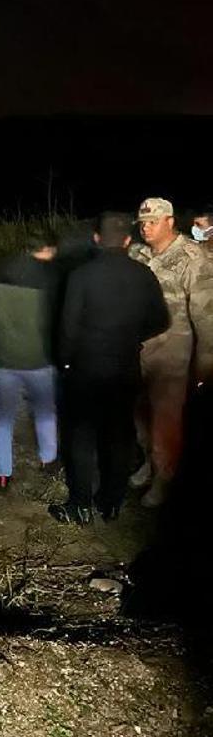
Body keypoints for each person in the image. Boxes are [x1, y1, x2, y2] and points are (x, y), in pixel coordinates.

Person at [49, 213, 168, 525]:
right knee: (119, 436)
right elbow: (161, 320)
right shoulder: (143, 274)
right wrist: (131, 337)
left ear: (97, 239)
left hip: (85, 370)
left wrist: (64, 362)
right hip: (125, 368)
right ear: (128, 240)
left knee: (81, 437)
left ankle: (80, 505)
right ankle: (111, 503)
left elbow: (67, 328)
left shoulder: (81, 276)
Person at [129, 197, 213, 506]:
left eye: (153, 222)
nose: (146, 228)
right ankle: (148, 463)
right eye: (143, 223)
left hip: (173, 354)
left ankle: (164, 478)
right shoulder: (136, 253)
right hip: (137, 350)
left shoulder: (193, 257)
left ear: (170, 221)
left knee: (166, 420)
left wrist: (204, 367)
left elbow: (206, 318)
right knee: (139, 412)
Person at [0, 230, 58, 489]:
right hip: (39, 359)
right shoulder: (49, 277)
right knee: (45, 411)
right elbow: (52, 323)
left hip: (5, 360)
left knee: (4, 417)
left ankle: (3, 473)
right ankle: (48, 459)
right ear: (46, 249)